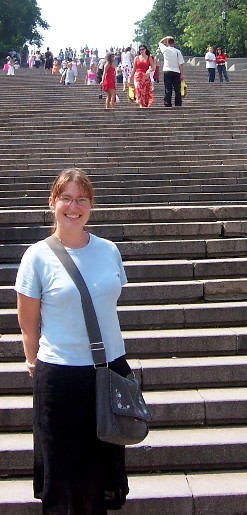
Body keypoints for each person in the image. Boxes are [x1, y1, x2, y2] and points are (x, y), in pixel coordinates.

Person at [15, 168, 131, 514]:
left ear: (91, 205)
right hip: (60, 374)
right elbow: (27, 322)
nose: (73, 206)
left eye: (82, 199)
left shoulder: (109, 250)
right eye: (66, 197)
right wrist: (33, 361)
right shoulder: (36, 256)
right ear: (53, 203)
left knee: (99, 471)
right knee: (62, 472)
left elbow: (108, 304)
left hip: (109, 370)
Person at [158, 36, 185, 107]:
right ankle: (178, 103)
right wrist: (182, 74)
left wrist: (166, 37)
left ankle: (167, 103)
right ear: (174, 43)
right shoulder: (177, 51)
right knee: (177, 89)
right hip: (176, 71)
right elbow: (181, 63)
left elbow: (160, 42)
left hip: (167, 71)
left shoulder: (165, 50)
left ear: (167, 43)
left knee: (168, 88)